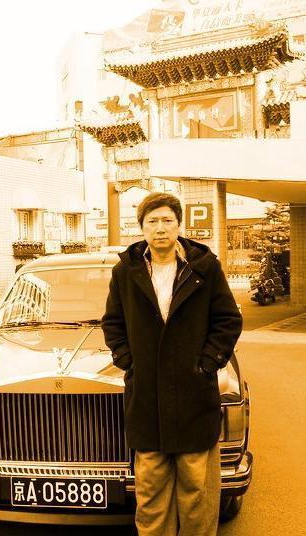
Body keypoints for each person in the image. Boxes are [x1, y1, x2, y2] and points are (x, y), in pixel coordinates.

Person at [101, 192, 242, 536]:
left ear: (179, 225)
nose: (160, 228)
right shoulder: (126, 271)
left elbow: (227, 320)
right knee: (151, 490)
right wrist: (129, 362)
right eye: (152, 221)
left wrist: (206, 365)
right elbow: (113, 323)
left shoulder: (204, 268)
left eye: (167, 220)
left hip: (194, 395)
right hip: (146, 397)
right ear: (142, 227)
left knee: (197, 488)